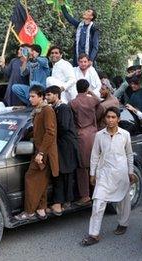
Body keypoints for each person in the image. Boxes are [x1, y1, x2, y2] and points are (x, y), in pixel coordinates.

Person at [81, 107, 135, 246]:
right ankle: (94, 234)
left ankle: (123, 224)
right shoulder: (99, 135)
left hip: (121, 173)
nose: (110, 120)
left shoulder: (125, 135)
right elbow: (95, 155)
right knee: (98, 203)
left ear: (118, 119)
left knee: (123, 201)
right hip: (104, 174)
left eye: (113, 117)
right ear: (105, 119)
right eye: (108, 117)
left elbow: (129, 154)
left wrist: (130, 171)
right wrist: (92, 173)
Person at [14, 86, 59, 220]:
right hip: (39, 151)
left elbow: (50, 133)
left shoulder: (47, 110)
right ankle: (41, 209)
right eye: (30, 96)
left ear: (41, 97)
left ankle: (29, 212)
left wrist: (41, 153)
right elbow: (38, 131)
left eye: (33, 96)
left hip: (44, 153)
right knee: (41, 182)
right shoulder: (38, 111)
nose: (30, 99)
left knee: (31, 179)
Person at [44, 86, 79, 215]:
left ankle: (67, 201)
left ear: (56, 95)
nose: (47, 98)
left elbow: (63, 126)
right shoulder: (53, 108)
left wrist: (50, 133)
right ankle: (60, 201)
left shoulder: (63, 108)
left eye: (49, 95)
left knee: (67, 173)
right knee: (60, 172)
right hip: (60, 144)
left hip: (66, 145)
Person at [71, 79, 102, 206]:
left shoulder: (73, 103)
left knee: (82, 167)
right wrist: (91, 92)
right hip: (94, 134)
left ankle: (85, 196)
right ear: (87, 88)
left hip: (81, 136)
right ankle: (98, 192)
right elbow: (99, 101)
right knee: (95, 164)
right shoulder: (92, 100)